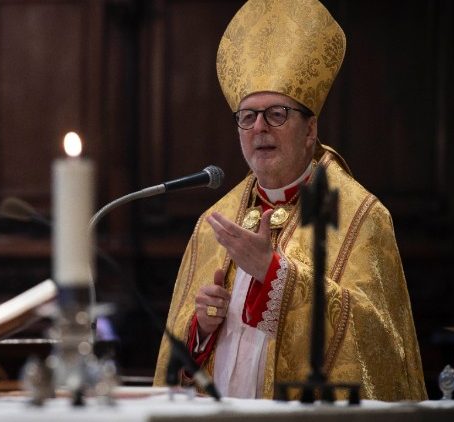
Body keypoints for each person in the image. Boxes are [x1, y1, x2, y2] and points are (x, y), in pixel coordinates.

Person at [153, 0, 427, 401]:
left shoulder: (361, 216)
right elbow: (174, 363)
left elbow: (380, 348)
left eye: (277, 114)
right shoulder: (215, 222)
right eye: (247, 116)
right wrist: (201, 331)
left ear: (310, 129)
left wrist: (276, 275)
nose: (259, 128)